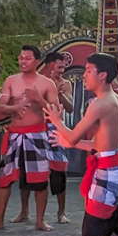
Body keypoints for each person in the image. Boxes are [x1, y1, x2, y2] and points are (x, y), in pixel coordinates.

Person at [45, 54, 118, 236]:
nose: (84, 75)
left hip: (107, 175)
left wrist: (56, 120)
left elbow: (71, 139)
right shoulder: (116, 99)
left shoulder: (100, 103)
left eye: (89, 70)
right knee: (112, 232)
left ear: (102, 75)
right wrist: (67, 139)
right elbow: (101, 145)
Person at [0, 45, 59, 232]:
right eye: (21, 58)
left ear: (37, 61)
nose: (23, 61)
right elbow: (1, 107)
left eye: (28, 58)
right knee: (5, 177)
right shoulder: (11, 80)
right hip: (15, 133)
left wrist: (39, 99)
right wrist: (14, 108)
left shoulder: (47, 83)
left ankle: (40, 220)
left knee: (40, 179)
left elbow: (56, 111)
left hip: (37, 134)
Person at [40, 51, 73, 225]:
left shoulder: (65, 84)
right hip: (37, 126)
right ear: (49, 65)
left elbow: (70, 108)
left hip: (55, 127)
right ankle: (24, 211)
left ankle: (61, 212)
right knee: (31, 170)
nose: (61, 70)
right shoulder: (38, 81)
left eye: (63, 67)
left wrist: (58, 94)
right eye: (59, 66)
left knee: (59, 170)